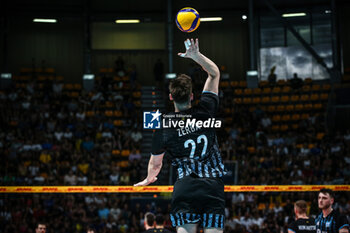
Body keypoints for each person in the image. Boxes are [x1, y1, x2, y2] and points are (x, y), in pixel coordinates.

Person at [135, 38, 226, 233]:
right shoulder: (206, 110)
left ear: (171, 97)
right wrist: (196, 56)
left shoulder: (164, 126)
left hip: (185, 188)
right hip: (212, 186)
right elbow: (214, 73)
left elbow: (156, 164)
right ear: (192, 96)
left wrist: (149, 178)